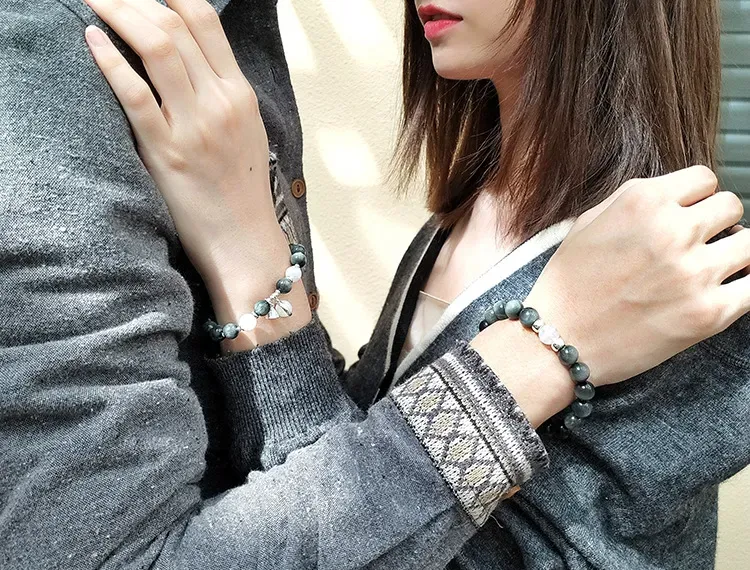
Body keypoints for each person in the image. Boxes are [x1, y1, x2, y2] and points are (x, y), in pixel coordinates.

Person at [0, 2, 747, 570]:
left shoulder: (683, 273)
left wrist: (540, 351)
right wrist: (248, 249)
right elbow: (336, 474)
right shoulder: (458, 222)